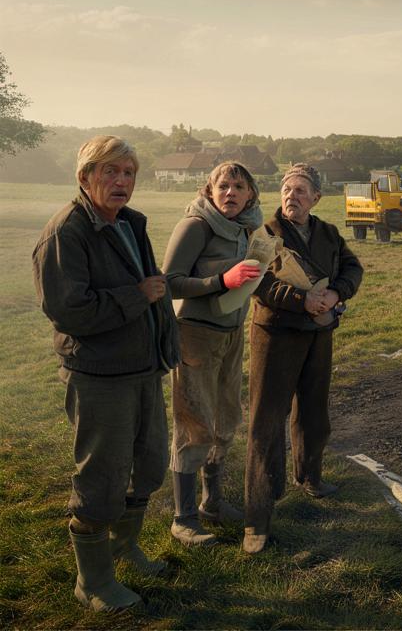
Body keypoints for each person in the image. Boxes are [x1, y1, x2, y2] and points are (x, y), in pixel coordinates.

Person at [32, 135, 180, 611]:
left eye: (128, 173)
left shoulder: (129, 223)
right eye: (110, 172)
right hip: (99, 376)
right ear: (84, 177)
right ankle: (92, 581)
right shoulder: (65, 233)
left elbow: (151, 290)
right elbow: (70, 312)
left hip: (142, 369)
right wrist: (140, 295)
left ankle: (123, 548)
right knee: (101, 480)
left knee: (150, 463)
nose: (121, 182)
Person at [243, 164, 363, 553]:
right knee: (266, 421)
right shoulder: (264, 233)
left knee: (314, 413)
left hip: (319, 334)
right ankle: (257, 518)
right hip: (274, 335)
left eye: (300, 191)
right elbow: (258, 281)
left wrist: (336, 294)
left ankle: (309, 476)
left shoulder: (328, 232)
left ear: (316, 198)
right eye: (286, 190)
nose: (291, 196)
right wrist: (301, 300)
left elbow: (352, 267)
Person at [161, 162, 264, 546]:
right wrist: (222, 280)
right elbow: (168, 283)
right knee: (195, 422)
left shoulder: (248, 226)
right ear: (210, 189)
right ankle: (183, 518)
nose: (230, 193)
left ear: (251, 193)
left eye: (239, 186)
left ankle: (212, 503)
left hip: (231, 334)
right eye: (223, 186)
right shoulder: (196, 225)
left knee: (226, 417)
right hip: (196, 336)